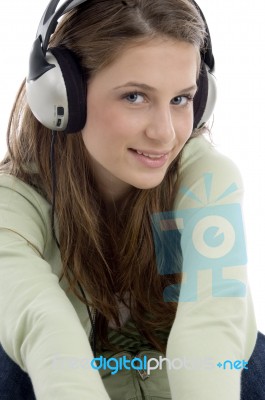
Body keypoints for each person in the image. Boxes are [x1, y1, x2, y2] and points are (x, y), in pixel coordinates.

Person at [0, 0, 261, 399]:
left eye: (181, 100)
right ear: (64, 97)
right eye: (135, 97)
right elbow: (46, 331)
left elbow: (213, 321)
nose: (166, 134)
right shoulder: (12, 203)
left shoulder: (206, 181)